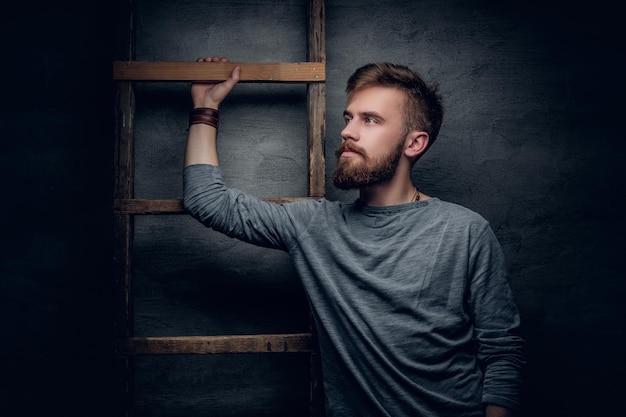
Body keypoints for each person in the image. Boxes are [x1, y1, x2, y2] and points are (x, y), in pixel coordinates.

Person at [183, 56, 526, 417]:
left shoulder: (465, 231)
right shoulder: (316, 226)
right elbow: (206, 201)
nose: (348, 131)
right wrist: (205, 108)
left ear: (414, 143)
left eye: (371, 120)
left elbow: (502, 350)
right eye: (348, 118)